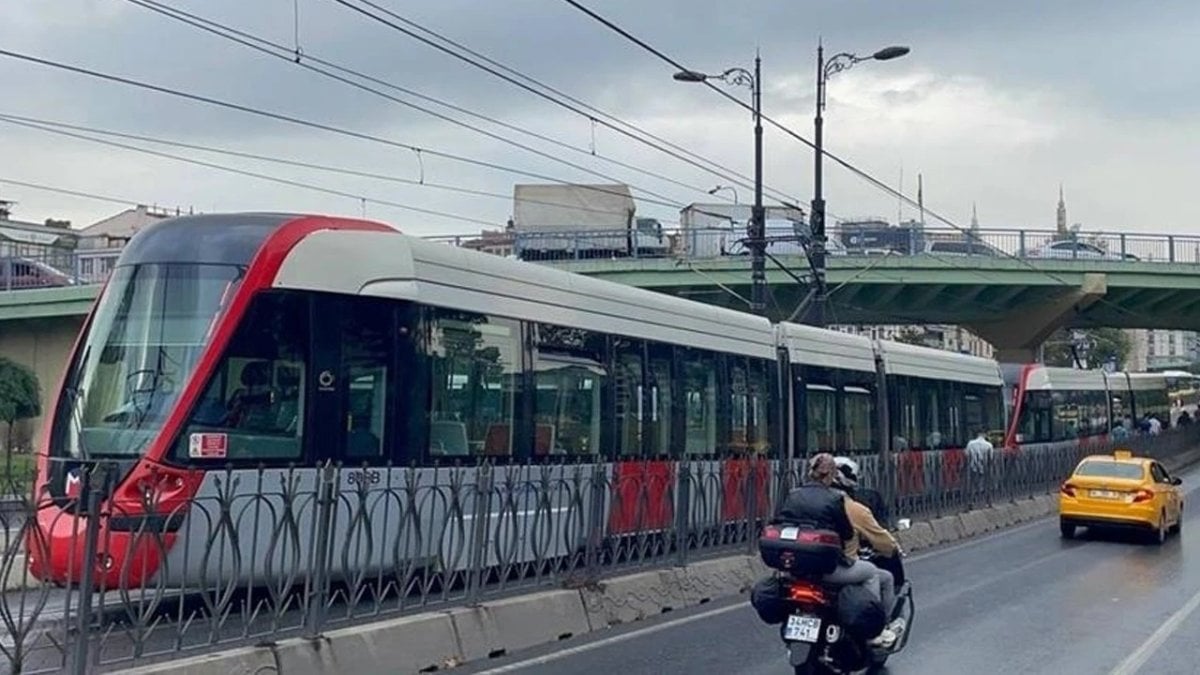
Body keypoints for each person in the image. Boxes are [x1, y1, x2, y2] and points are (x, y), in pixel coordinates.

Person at [774, 453, 901, 648]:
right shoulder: (837, 502)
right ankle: (872, 629)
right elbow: (847, 532)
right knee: (872, 573)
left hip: (798, 568)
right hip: (830, 569)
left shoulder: (794, 495)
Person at [832, 457, 907, 589]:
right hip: (838, 566)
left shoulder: (805, 503)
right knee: (881, 577)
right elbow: (884, 542)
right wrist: (893, 548)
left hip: (806, 567)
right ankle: (872, 609)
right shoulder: (854, 509)